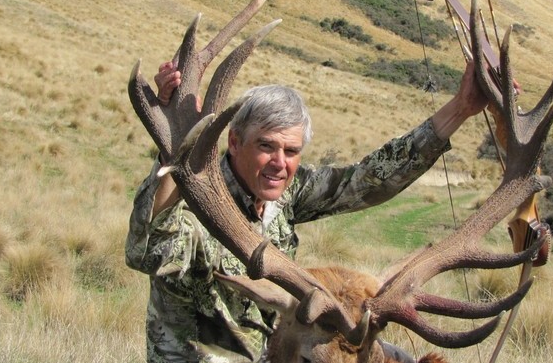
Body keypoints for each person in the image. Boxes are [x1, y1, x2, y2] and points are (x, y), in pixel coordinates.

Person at [126, 60, 489, 362]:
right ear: (234, 142)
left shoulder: (285, 193)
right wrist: (176, 154)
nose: (279, 164)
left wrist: (460, 108)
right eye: (266, 146)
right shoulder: (193, 205)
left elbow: (367, 181)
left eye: (292, 151)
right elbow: (146, 250)